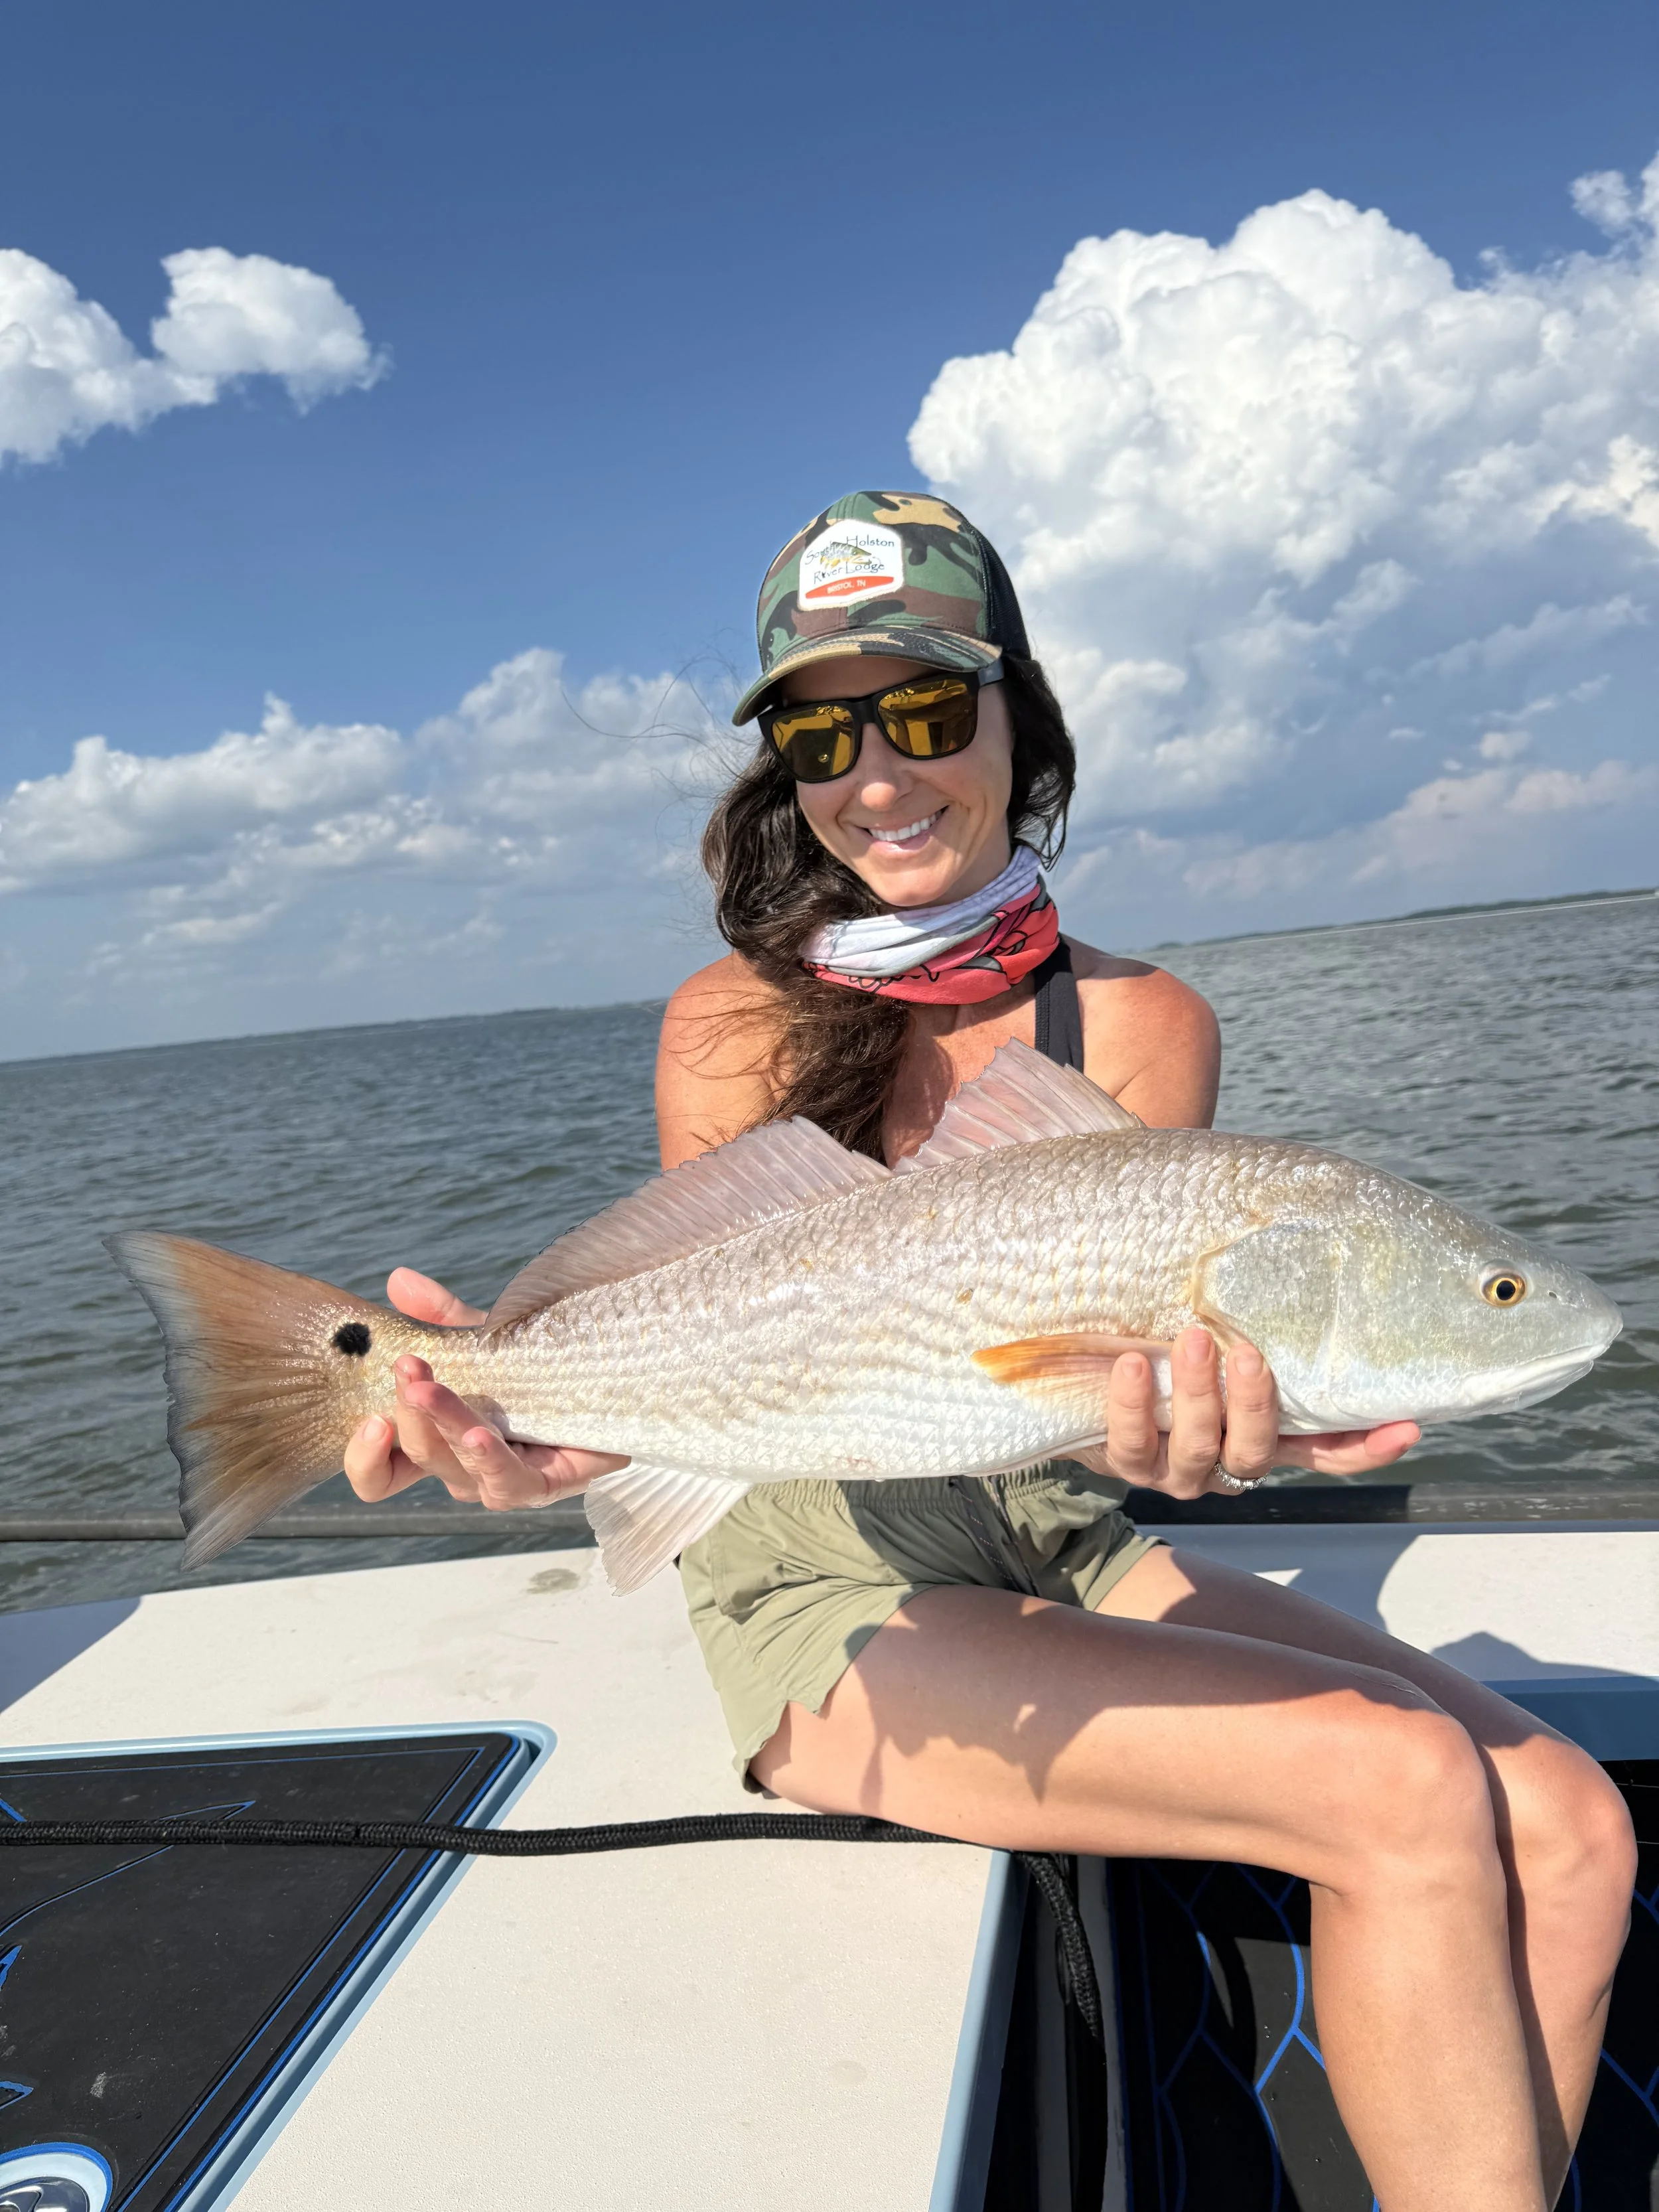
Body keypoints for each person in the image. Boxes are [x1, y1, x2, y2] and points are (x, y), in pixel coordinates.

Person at [344, 492, 1634, 2211]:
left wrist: (1230, 1432)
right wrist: (520, 1425)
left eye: (929, 711)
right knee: (1399, 1781)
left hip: (1048, 1530)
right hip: (814, 1559)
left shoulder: (1142, 1019)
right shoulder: (727, 1020)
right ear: (787, 771)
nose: (875, 771)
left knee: (1569, 1819)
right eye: (821, 728)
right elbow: (714, 1369)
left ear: (1020, 717)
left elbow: (1093, 1405)